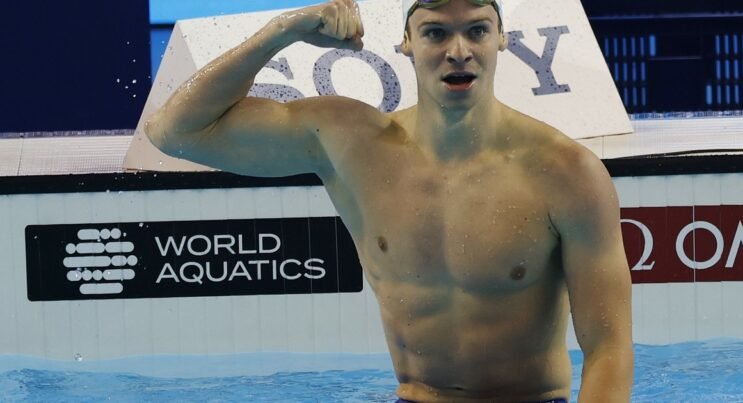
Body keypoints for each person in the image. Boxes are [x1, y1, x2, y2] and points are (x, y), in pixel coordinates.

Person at [145, 0, 634, 401]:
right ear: (406, 43)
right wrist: (282, 29)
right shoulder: (351, 144)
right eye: (436, 33)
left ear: (502, 39)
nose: (459, 51)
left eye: (478, 31)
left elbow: (608, 349)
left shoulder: (566, 173)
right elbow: (175, 131)